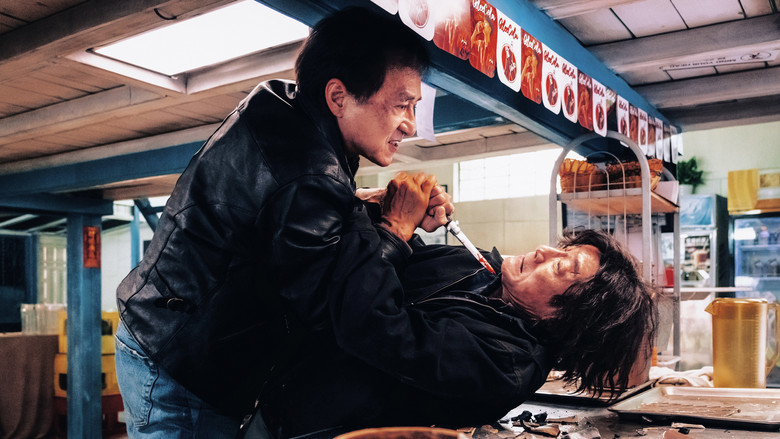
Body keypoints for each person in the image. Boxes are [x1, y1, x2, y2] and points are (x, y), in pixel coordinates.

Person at [114, 7, 453, 438]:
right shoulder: (307, 173)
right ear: (338, 97)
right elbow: (339, 308)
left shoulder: (282, 104)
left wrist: (371, 204)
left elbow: (282, 211)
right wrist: (395, 230)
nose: (409, 124)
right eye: (402, 105)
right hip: (181, 367)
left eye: (414, 106)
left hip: (165, 331)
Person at [251, 228, 658, 437]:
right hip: (271, 393)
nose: (542, 252)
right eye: (560, 249)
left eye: (560, 268)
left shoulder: (507, 362)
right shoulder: (479, 266)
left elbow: (374, 326)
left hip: (311, 430)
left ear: (563, 318)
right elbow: (379, 267)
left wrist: (394, 229)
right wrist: (395, 225)